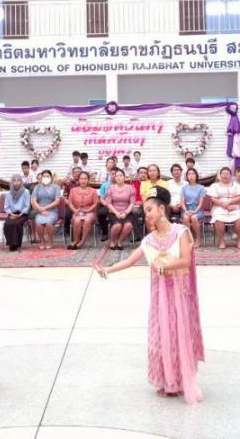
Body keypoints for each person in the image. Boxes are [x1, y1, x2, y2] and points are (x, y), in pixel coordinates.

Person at [94, 186, 204, 404]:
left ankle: (180, 380)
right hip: (159, 295)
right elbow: (129, 261)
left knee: (178, 333)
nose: (147, 215)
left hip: (179, 294)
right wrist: (106, 270)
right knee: (161, 334)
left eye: (150, 209)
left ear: (162, 209)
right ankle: (168, 381)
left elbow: (185, 260)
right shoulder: (149, 240)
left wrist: (165, 266)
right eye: (145, 211)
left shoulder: (181, 232)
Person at [207, 167, 240, 249]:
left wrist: (230, 202)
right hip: (219, 206)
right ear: (220, 175)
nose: (225, 175)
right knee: (218, 220)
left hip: (234, 205)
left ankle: (239, 241)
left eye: (227, 173)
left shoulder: (236, 185)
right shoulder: (214, 185)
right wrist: (223, 204)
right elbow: (212, 198)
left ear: (231, 175)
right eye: (223, 173)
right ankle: (221, 241)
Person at [105, 168, 137, 250]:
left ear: (124, 177)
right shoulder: (111, 188)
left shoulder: (130, 188)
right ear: (115, 178)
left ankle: (120, 241)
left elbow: (132, 203)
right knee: (118, 225)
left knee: (128, 225)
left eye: (120, 175)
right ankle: (112, 241)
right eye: (117, 176)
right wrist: (116, 213)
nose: (118, 177)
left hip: (127, 212)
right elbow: (108, 203)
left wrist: (126, 213)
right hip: (114, 212)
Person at [67, 171, 98, 250]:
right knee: (77, 221)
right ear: (78, 180)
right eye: (81, 179)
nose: (83, 181)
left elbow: (95, 204)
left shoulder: (93, 191)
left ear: (88, 180)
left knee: (87, 220)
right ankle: (76, 241)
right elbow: (70, 203)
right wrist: (75, 210)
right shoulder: (73, 190)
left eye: (85, 179)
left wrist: (88, 210)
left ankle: (82, 242)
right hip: (77, 211)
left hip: (89, 212)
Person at [31, 170, 61, 250]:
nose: (46, 178)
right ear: (41, 177)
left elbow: (57, 201)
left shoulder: (56, 187)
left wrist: (45, 208)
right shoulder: (37, 187)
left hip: (52, 211)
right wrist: (40, 209)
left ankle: (50, 241)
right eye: (44, 176)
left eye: (47, 176)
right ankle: (41, 241)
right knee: (38, 224)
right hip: (40, 210)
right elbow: (33, 200)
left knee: (48, 224)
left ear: (51, 177)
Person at [3, 175, 30, 252]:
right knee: (7, 224)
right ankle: (11, 244)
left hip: (23, 214)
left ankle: (17, 244)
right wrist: (11, 214)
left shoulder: (26, 192)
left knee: (17, 224)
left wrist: (20, 214)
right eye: (14, 181)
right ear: (12, 182)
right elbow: (6, 206)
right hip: (12, 213)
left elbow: (27, 205)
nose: (16, 182)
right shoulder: (9, 193)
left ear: (21, 182)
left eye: (18, 180)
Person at [180, 168, 206, 246]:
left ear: (196, 175)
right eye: (189, 174)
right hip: (187, 209)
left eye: (193, 174)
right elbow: (182, 202)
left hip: (198, 210)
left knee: (194, 217)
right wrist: (186, 210)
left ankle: (198, 238)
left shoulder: (201, 188)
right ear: (187, 176)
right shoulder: (184, 188)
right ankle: (188, 238)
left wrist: (195, 211)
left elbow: (201, 203)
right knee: (186, 217)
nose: (191, 176)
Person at [96, 158, 118, 241]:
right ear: (110, 174)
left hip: (119, 205)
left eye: (116, 174)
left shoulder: (122, 185)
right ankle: (104, 232)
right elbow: (101, 198)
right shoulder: (104, 185)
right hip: (107, 204)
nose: (114, 176)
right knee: (101, 213)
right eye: (112, 174)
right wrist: (106, 205)